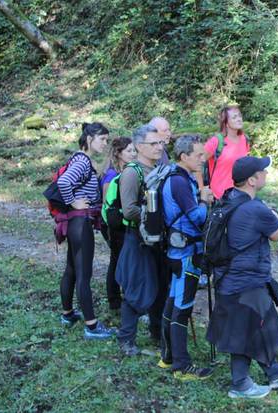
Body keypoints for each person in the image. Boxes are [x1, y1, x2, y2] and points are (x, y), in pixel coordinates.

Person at [207, 156, 278, 399]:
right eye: (263, 171)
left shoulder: (228, 198)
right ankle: (240, 384)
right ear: (252, 180)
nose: (266, 174)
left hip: (230, 277)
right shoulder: (256, 208)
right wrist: (273, 214)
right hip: (245, 282)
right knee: (247, 331)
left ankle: (276, 373)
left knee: (262, 327)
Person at [158, 135, 215, 380]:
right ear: (184, 157)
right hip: (186, 254)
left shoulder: (177, 177)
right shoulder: (180, 182)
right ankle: (182, 367)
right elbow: (198, 218)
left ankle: (167, 356)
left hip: (177, 251)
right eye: (199, 155)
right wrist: (204, 200)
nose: (204, 159)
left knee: (173, 301)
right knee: (183, 307)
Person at [57, 122, 115, 339]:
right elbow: (64, 182)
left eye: (107, 140)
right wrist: (73, 202)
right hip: (80, 223)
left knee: (71, 269)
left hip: (75, 224)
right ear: (89, 138)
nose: (105, 143)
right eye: (102, 139)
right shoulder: (82, 161)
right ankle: (92, 326)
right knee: (83, 274)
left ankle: (68, 314)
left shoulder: (78, 158)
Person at [116, 124, 165, 355]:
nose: (159, 147)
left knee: (159, 287)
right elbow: (128, 210)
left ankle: (158, 334)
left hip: (159, 240)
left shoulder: (161, 169)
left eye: (160, 142)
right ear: (139, 146)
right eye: (153, 143)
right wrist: (153, 214)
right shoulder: (131, 172)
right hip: (138, 239)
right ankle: (126, 340)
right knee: (136, 288)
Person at [100, 136, 135, 313]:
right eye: (129, 151)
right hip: (111, 225)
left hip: (121, 223)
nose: (133, 154)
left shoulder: (127, 170)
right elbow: (107, 203)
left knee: (120, 259)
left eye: (134, 150)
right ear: (118, 153)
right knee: (117, 260)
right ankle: (115, 300)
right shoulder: (112, 174)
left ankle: (119, 298)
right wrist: (111, 228)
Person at [204, 105, 251, 199]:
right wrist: (203, 189)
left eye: (239, 116)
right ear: (225, 123)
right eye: (234, 117)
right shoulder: (216, 141)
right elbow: (197, 162)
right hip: (221, 197)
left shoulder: (244, 139)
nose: (239, 119)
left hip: (241, 194)